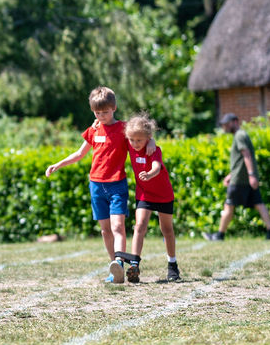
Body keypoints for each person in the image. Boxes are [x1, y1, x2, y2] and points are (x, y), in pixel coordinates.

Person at [45, 85, 130, 284]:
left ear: (114, 108)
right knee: (105, 230)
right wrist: (58, 164)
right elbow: (79, 153)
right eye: (97, 113)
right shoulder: (94, 129)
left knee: (118, 226)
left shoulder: (124, 128)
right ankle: (115, 269)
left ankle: (119, 261)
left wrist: (150, 142)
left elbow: (141, 138)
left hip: (117, 184)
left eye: (105, 112)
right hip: (96, 185)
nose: (101, 116)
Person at [122, 113, 180, 283]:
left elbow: (156, 166)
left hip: (163, 194)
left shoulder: (154, 149)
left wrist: (149, 174)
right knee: (139, 225)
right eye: (132, 140)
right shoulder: (130, 144)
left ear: (148, 137)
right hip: (144, 193)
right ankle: (134, 265)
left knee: (167, 229)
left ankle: (172, 264)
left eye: (139, 140)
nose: (135, 143)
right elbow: (115, 128)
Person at [204, 113, 270, 241]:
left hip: (240, 180)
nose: (225, 126)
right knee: (259, 204)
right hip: (243, 177)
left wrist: (251, 175)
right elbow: (240, 161)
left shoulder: (239, 135)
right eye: (224, 124)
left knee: (228, 206)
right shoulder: (241, 135)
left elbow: (246, 155)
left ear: (235, 121)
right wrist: (231, 175)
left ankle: (219, 235)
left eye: (227, 123)